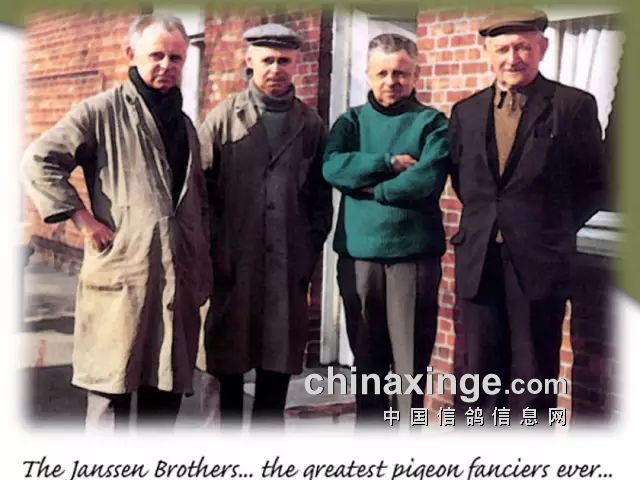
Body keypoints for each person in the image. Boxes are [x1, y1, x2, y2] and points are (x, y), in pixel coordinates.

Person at [22, 14, 211, 429]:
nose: (167, 65)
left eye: (176, 58)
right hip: (124, 274)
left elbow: (196, 201)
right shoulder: (101, 111)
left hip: (175, 282)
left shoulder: (184, 124)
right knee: (112, 395)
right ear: (131, 54)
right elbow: (39, 160)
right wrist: (84, 220)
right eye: (156, 55)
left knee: (165, 393)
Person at [448, 7, 607, 423]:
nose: (512, 58)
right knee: (478, 371)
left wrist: (550, 228)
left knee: (533, 373)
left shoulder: (572, 106)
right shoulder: (465, 112)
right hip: (480, 259)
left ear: (543, 48)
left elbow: (595, 182)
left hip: (541, 262)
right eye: (502, 49)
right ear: (487, 52)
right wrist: (493, 223)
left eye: (522, 47)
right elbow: (465, 182)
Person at [197, 23, 333, 427]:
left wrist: (305, 253)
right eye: (268, 60)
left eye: (284, 61)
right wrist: (213, 252)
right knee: (225, 370)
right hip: (230, 269)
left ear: (296, 63)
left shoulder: (310, 125)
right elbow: (199, 193)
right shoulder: (223, 119)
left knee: (276, 371)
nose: (276, 69)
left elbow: (320, 201)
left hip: (285, 270)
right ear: (250, 60)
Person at [322, 33, 450, 424]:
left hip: (413, 258)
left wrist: (369, 190)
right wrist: (388, 163)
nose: (391, 81)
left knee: (410, 364)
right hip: (359, 257)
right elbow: (333, 168)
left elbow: (425, 180)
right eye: (382, 73)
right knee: (368, 361)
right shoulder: (351, 122)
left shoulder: (432, 123)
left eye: (400, 73)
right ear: (368, 74)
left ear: (415, 75)